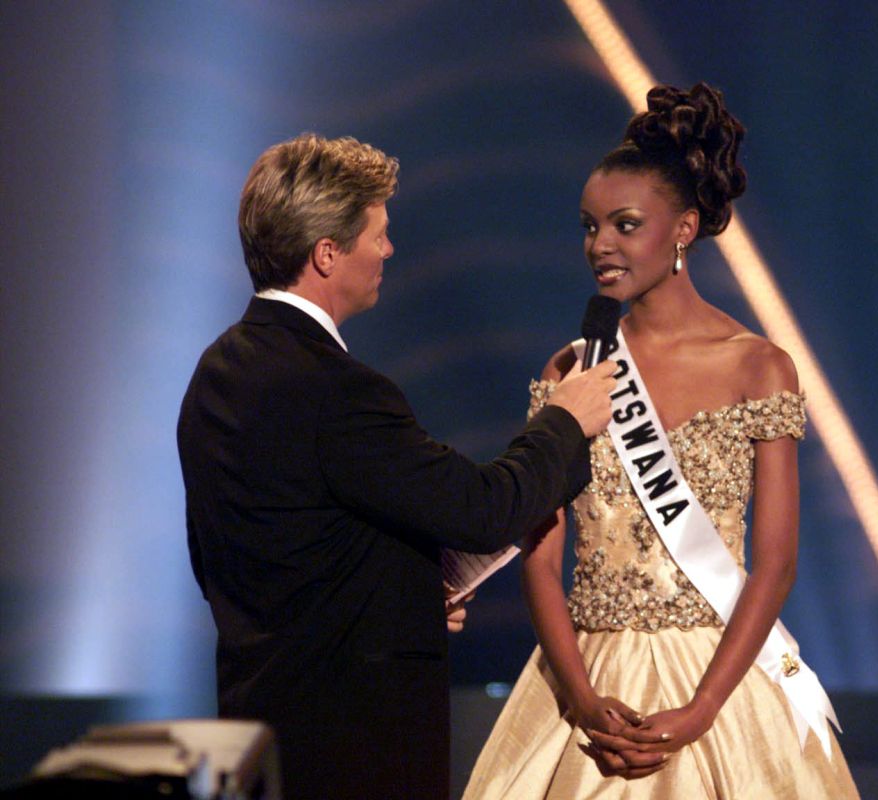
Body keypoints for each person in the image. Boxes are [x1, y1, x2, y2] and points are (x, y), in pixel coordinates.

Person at [176, 133, 617, 800]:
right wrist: (565, 418)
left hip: (257, 749)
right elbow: (483, 508)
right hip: (354, 751)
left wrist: (402, 601)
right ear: (327, 253)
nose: (387, 250)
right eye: (377, 234)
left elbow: (239, 563)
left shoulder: (214, 374)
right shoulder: (338, 390)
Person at [463, 84, 859, 797]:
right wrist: (583, 702)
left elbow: (775, 564)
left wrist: (702, 710)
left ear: (683, 228)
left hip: (721, 683)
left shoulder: (757, 366)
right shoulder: (572, 369)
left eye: (623, 224)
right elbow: (540, 561)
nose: (600, 246)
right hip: (586, 681)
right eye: (589, 227)